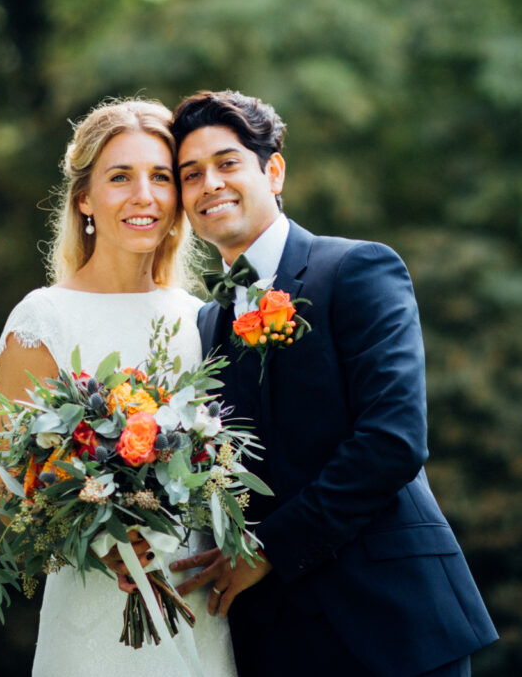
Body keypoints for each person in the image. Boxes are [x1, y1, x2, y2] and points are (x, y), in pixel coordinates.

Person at [168, 90, 498, 677]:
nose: (209, 184)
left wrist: (269, 551)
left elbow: (393, 440)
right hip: (273, 638)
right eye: (191, 175)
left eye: (227, 163)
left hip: (393, 620)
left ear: (273, 171)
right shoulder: (204, 322)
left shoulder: (357, 269)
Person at [0, 98, 237, 676]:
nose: (143, 196)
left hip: (199, 601)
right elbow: (8, 487)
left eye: (160, 177)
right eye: (120, 177)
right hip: (98, 609)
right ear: (84, 198)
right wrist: (107, 545)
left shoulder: (201, 319)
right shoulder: (42, 319)